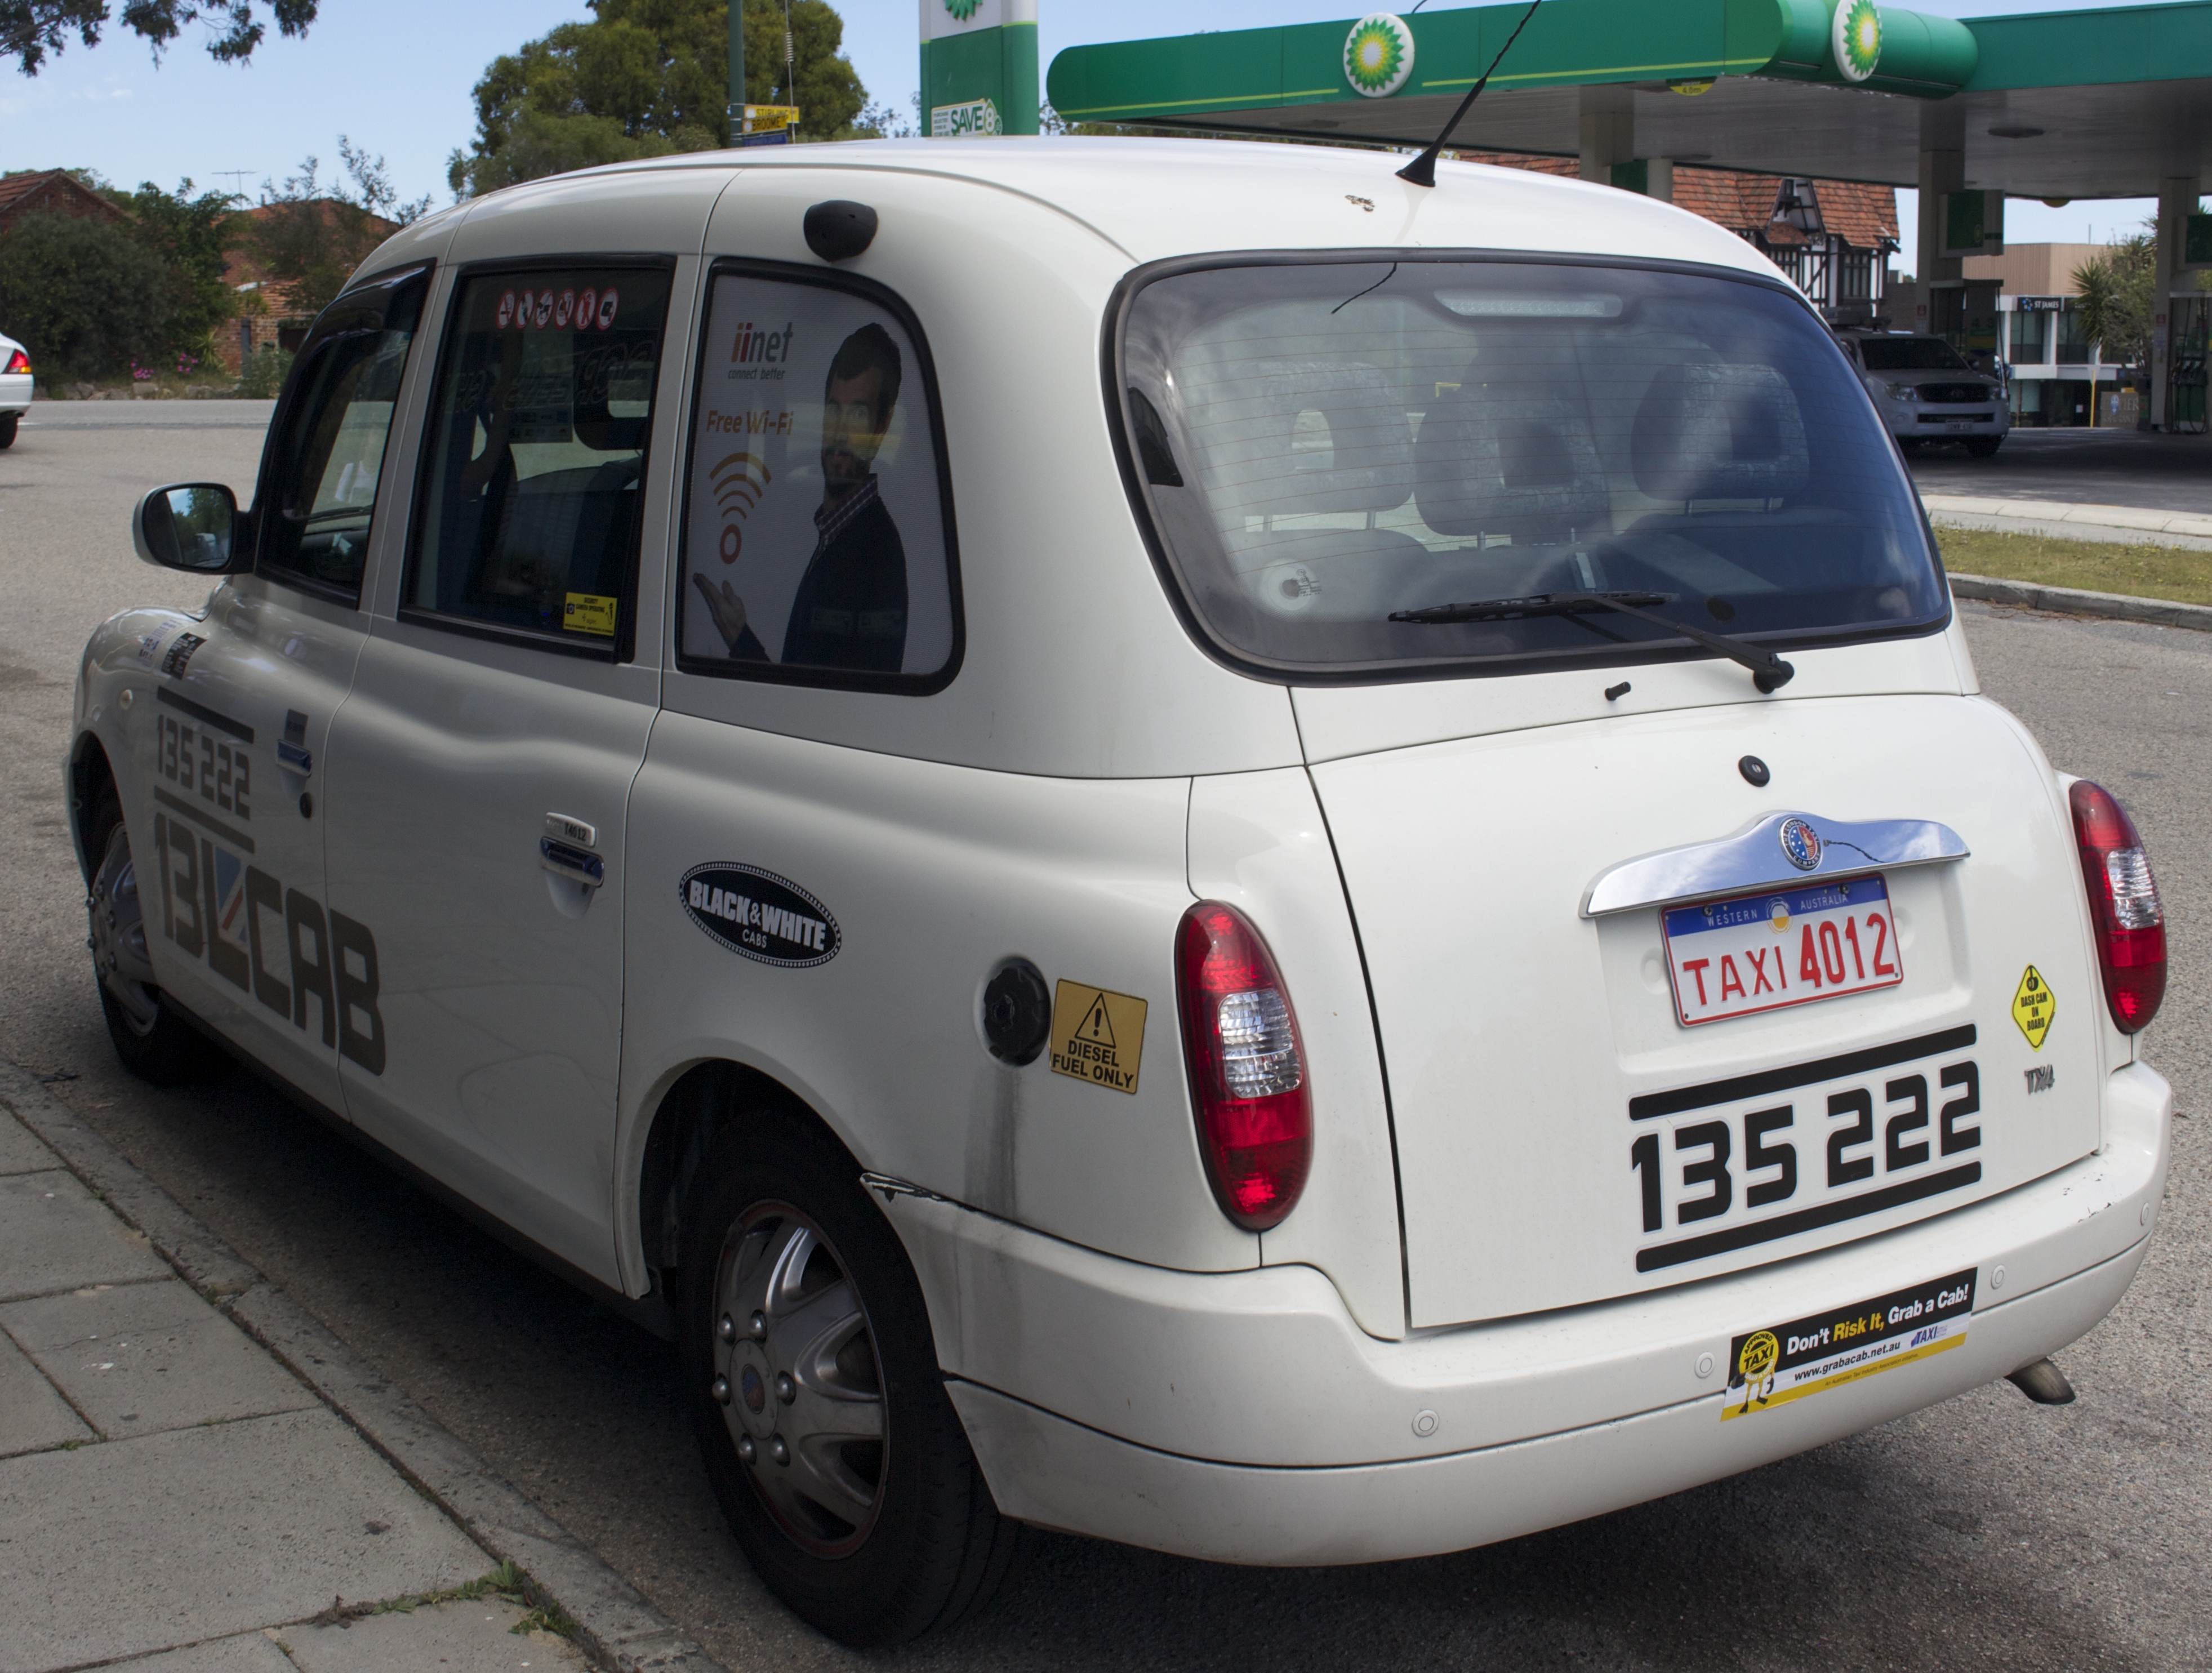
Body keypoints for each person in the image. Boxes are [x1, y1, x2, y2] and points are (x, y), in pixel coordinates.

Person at [694, 322, 909, 673]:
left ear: (881, 426)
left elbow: (823, 708)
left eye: (857, 414)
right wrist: (739, 635)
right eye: (832, 410)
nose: (839, 433)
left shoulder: (874, 551)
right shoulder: (838, 532)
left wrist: (741, 641)